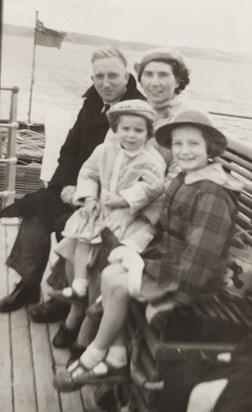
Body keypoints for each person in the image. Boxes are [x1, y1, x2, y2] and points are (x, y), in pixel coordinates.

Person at [52, 108, 242, 392]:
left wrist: (173, 297)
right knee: (110, 272)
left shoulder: (212, 191)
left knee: (116, 283)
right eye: (178, 144)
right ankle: (116, 355)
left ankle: (94, 353)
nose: (184, 151)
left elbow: (201, 257)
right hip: (171, 258)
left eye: (193, 144)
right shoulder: (184, 179)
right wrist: (132, 249)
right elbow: (163, 226)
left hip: (192, 278)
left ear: (209, 148)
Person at [0, 47, 144, 320]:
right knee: (35, 210)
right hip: (73, 187)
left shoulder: (136, 111)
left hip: (105, 199)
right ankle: (29, 285)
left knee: (73, 227)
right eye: (98, 76)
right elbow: (68, 150)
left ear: (127, 77)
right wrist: (65, 185)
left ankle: (64, 298)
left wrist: (86, 193)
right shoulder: (92, 101)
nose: (105, 83)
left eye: (113, 75)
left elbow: (130, 169)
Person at [70, 46, 191, 356]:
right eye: (148, 74)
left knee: (107, 245)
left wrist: (130, 208)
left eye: (163, 75)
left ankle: (87, 328)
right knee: (77, 237)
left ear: (178, 80)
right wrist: (92, 198)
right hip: (112, 204)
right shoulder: (127, 113)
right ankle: (76, 312)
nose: (154, 82)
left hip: (152, 213)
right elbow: (102, 163)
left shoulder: (183, 122)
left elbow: (174, 181)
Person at [50, 99, 166, 340]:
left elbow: (153, 186)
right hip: (100, 210)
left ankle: (86, 329)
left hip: (129, 217)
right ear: (115, 129)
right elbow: (89, 173)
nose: (131, 135)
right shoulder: (105, 150)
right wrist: (90, 198)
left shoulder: (151, 159)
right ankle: (76, 301)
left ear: (148, 132)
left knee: (102, 257)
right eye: (125, 129)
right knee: (73, 243)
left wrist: (124, 198)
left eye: (138, 130)